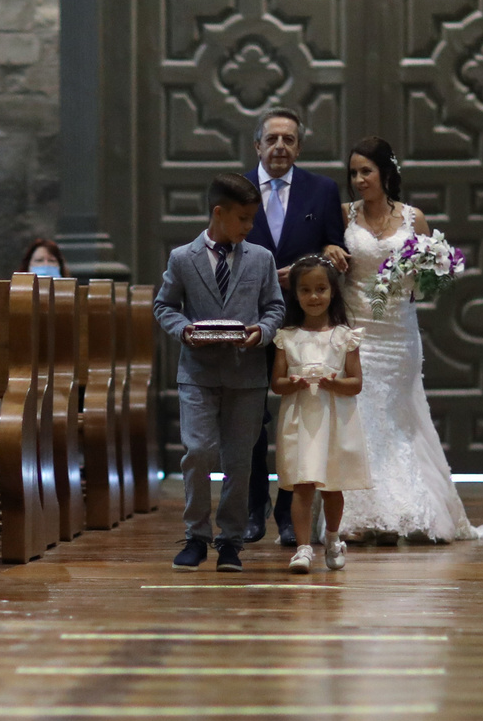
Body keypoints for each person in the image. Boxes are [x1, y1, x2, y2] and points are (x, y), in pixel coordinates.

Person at [335, 137, 483, 544]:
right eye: (354, 172)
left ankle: (408, 509)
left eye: (366, 171)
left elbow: (431, 275)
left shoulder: (414, 218)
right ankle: (365, 512)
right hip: (358, 328)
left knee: (396, 417)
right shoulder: (343, 215)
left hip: (397, 333)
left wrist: (425, 278)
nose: (359, 180)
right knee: (362, 416)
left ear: (385, 172)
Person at [152, 172, 285, 572]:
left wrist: (261, 333)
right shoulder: (182, 258)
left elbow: (275, 309)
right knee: (198, 451)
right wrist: (184, 331)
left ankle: (231, 540)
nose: (249, 227)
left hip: (246, 375)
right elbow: (164, 307)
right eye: (243, 219)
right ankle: (196, 535)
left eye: (252, 220)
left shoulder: (261, 258)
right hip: (198, 372)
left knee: (239, 459)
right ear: (218, 213)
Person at [239, 108, 348, 548]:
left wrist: (309, 267)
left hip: (303, 321)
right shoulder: (240, 188)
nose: (280, 146)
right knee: (250, 419)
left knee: (298, 416)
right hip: (251, 318)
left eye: (288, 139)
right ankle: (251, 510)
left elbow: (335, 249)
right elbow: (224, 245)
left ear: (298, 146)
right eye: (272, 139)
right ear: (258, 146)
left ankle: (289, 516)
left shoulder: (320, 190)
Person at [271, 255, 368, 574]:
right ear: (296, 295)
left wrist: (332, 382)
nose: (314, 297)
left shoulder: (344, 336)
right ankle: (302, 548)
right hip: (300, 419)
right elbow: (277, 383)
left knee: (332, 484)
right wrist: (294, 382)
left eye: (321, 289)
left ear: (332, 292)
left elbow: (355, 383)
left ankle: (332, 537)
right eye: (306, 290)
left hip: (334, 419)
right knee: (302, 484)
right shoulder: (286, 336)